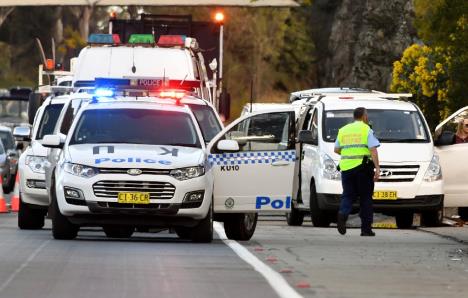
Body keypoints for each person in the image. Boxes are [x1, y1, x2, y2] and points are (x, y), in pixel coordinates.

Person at [334, 107, 380, 236]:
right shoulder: (366, 129)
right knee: (365, 198)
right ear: (364, 116)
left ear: (354, 116)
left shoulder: (343, 130)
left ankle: (342, 215)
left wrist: (349, 153)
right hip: (363, 168)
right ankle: (366, 229)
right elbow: (373, 149)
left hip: (346, 168)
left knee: (348, 195)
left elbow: (336, 149)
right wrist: (377, 168)